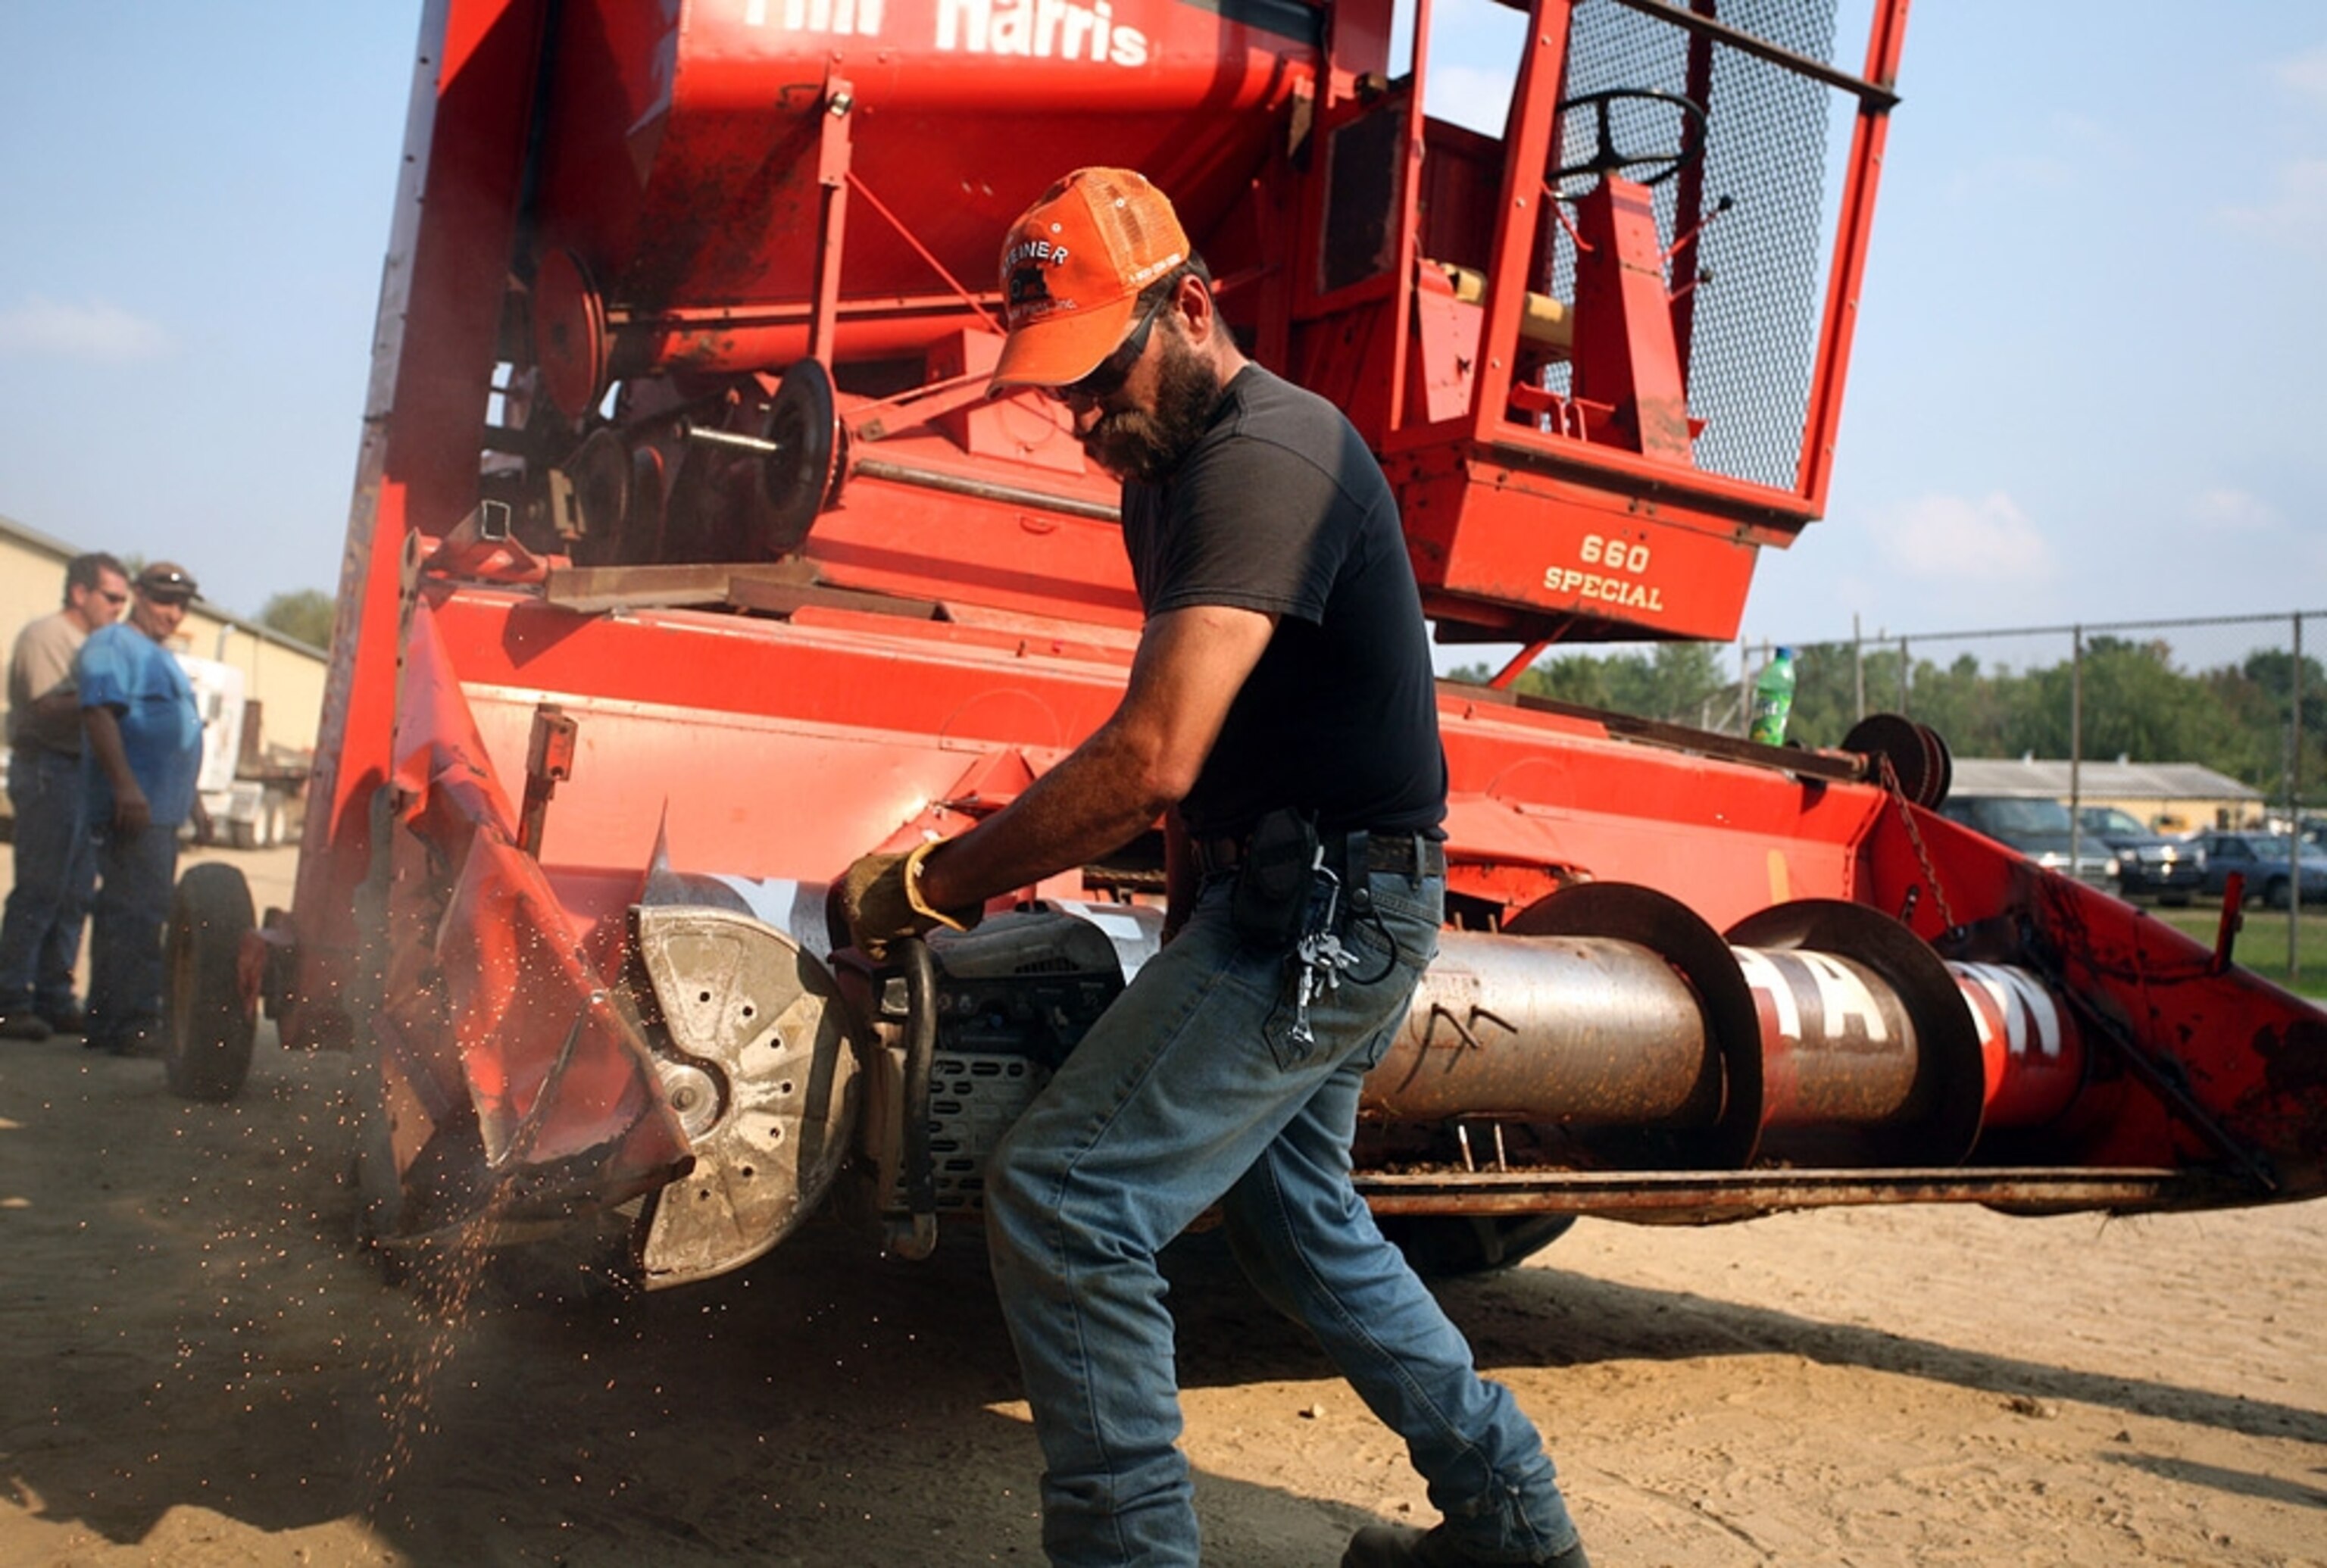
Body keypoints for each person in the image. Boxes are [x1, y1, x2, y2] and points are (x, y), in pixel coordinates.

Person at [839, 169, 1587, 1568]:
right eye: (1059, 388)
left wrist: (933, 883)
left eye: (1099, 373)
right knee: (1296, 1223)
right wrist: (1179, 939)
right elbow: (1214, 769)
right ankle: (1511, 1526)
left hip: (1326, 911)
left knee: (1067, 1200)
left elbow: (1153, 754)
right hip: (1286, 899)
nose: (1080, 413)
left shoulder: (1265, 456)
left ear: (1188, 307)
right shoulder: (1164, 475)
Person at [76, 561, 208, 1056]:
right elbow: (98, 712)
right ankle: (131, 1023)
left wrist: (192, 799)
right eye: (161, 601)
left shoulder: (159, 655)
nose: (172, 613)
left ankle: (108, 1022)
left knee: (126, 912)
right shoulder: (113, 645)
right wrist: (127, 788)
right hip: (135, 808)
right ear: (136, 594)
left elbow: (177, 736)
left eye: (180, 605)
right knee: (139, 914)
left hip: (161, 807)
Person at [0, 551, 132, 1041]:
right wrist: (103, 702)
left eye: (124, 598)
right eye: (112, 597)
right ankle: (10, 998)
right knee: (40, 888)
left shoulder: (93, 644)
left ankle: (53, 997)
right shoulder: (46, 637)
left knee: (75, 894)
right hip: (47, 772)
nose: (119, 606)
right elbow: (42, 708)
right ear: (81, 593)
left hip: (78, 774)